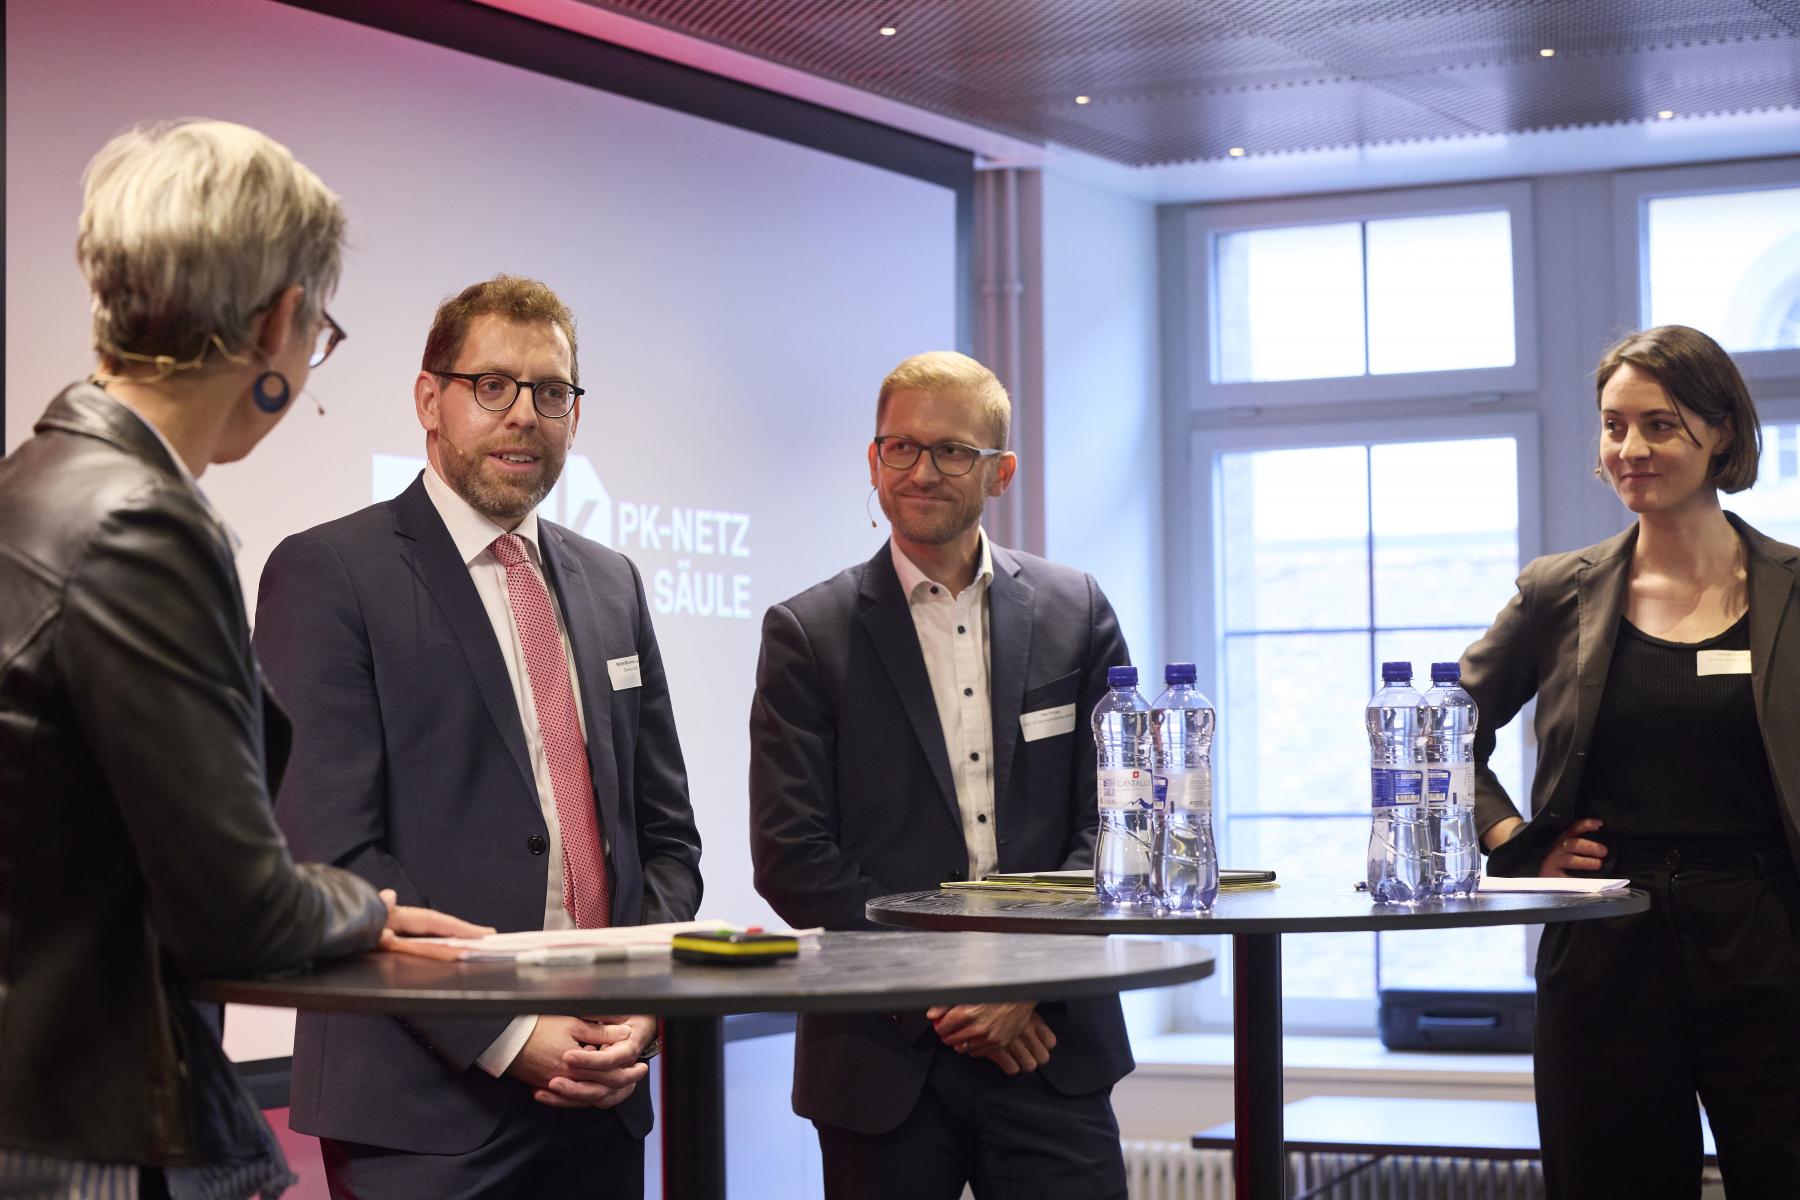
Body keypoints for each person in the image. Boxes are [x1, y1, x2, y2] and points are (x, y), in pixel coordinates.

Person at [0, 120, 489, 1200]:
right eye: (319, 330)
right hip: (83, 1139)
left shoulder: (33, 482)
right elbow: (237, 910)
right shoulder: (145, 524)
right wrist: (368, 910)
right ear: (278, 321)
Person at [255, 275, 703, 1198]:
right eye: (492, 386)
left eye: (551, 392)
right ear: (430, 400)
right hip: (422, 1111)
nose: (524, 414)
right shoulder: (329, 571)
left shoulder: (612, 583)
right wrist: (506, 1030)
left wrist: (641, 1008)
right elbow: (330, 850)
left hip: (604, 1089)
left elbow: (665, 839)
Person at [749, 351, 1135, 1199]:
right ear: (874, 460)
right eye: (901, 447)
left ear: (1000, 472)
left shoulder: (1077, 612)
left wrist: (1024, 978)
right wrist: (955, 986)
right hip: (881, 1057)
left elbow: (1116, 826)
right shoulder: (807, 633)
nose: (922, 471)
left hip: (1051, 1045)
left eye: (953, 451)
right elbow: (792, 857)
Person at [1466, 325, 1800, 1199]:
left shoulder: (1795, 590)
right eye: (1615, 426)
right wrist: (1513, 840)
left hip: (1768, 934)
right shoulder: (1556, 591)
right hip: (1605, 933)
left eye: (1660, 425)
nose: (1630, 450)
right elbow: (1437, 733)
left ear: (1721, 433)